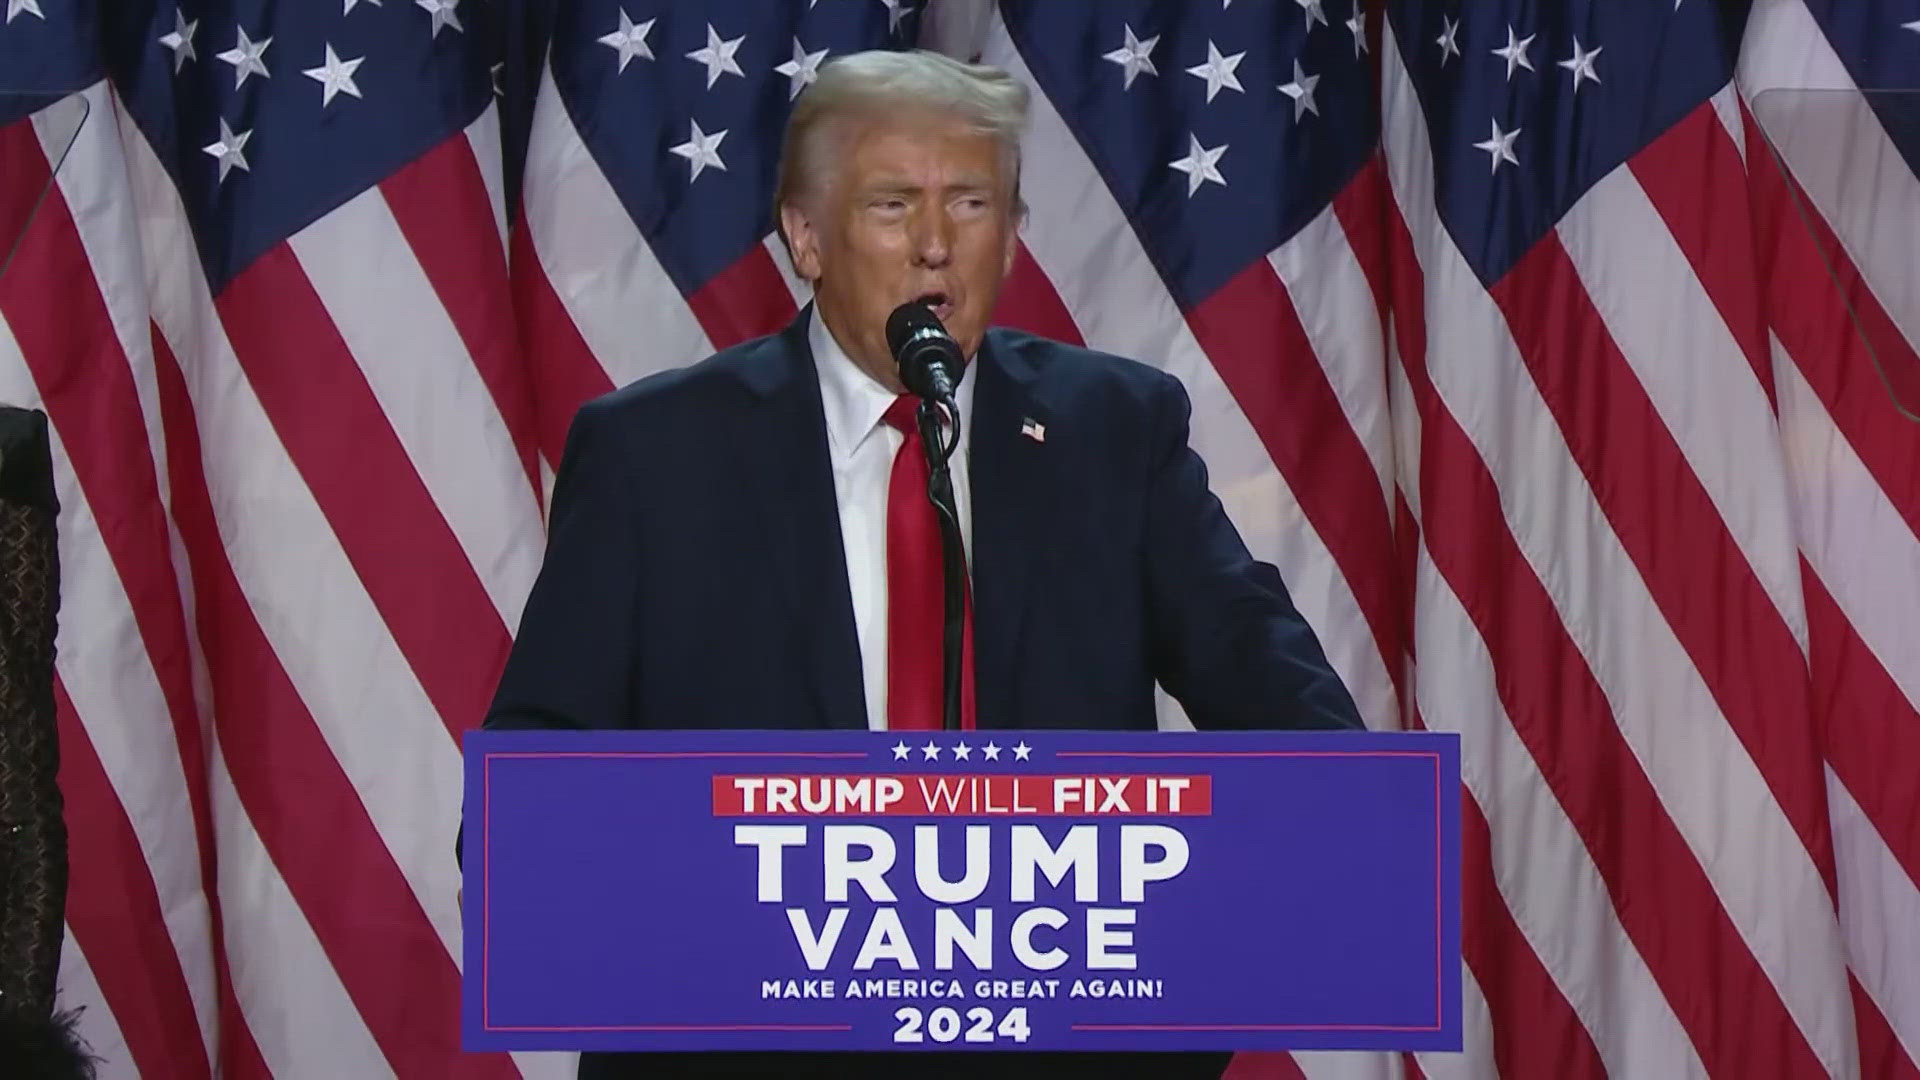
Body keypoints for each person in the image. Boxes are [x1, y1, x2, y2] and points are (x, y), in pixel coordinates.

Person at [483, 49, 1363, 1080]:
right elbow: (530, 808)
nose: (938, 247)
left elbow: (1302, 738)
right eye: (894, 206)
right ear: (806, 239)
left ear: (1015, 233)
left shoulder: (1113, 435)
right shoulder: (654, 457)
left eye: (974, 203)